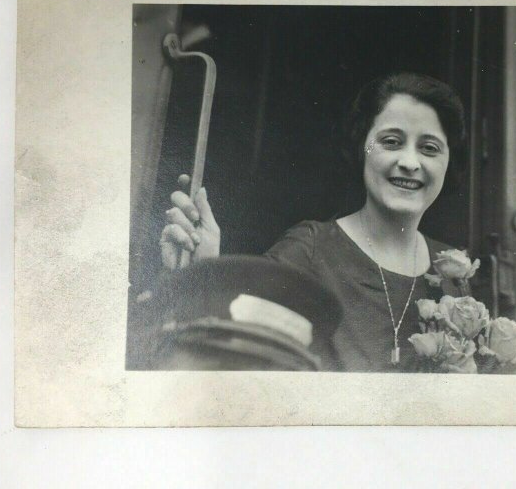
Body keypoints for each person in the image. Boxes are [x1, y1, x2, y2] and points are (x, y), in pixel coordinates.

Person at [159, 72, 470, 372]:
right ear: (363, 147)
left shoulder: (456, 275)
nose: (409, 162)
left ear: (447, 162)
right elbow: (245, 357)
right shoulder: (310, 249)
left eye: (429, 148)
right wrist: (207, 275)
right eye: (391, 141)